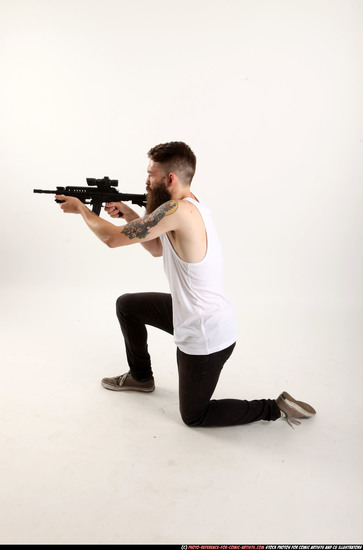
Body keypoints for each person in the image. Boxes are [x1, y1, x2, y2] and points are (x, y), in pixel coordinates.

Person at [56, 141, 316, 428]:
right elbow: (157, 248)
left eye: (150, 174)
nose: (145, 180)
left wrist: (81, 208)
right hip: (191, 312)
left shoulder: (178, 211)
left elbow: (111, 239)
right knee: (128, 305)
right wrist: (130, 214)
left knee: (194, 416)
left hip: (205, 333)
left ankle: (274, 408)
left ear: (170, 178)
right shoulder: (189, 206)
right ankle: (141, 378)